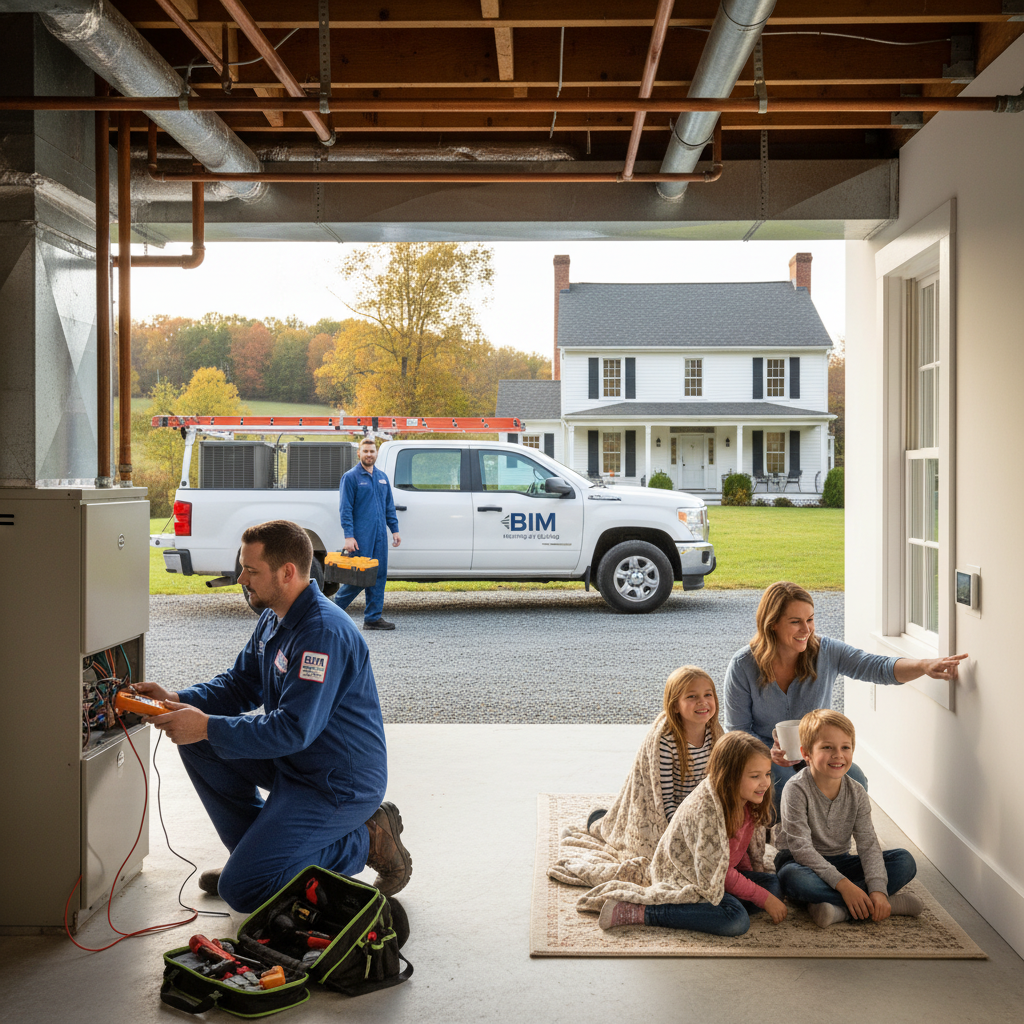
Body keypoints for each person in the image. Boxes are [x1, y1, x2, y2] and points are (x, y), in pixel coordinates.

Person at [134, 520, 412, 913]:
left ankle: (365, 840)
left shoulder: (322, 635)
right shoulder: (274, 616)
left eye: (251, 570)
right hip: (294, 762)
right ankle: (258, 859)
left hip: (335, 781)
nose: (240, 579)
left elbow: (292, 729)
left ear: (287, 572)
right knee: (198, 743)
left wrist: (206, 726)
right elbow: (239, 685)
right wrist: (176, 700)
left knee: (242, 891)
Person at [722, 580, 967, 806]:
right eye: (795, 622)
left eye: (810, 619)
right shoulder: (743, 665)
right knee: (783, 786)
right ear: (772, 624)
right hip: (766, 756)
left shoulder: (826, 651)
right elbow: (737, 731)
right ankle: (783, 838)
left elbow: (876, 666)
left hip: (818, 750)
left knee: (855, 780)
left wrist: (924, 666)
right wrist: (768, 752)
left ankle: (833, 835)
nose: (806, 629)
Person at [592, 731, 787, 936]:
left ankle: (711, 910)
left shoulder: (747, 800)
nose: (765, 782)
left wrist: (753, 887)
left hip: (719, 873)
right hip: (688, 877)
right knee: (736, 920)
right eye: (755, 776)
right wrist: (761, 898)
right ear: (730, 777)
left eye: (767, 774)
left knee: (773, 885)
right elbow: (718, 873)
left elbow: (739, 850)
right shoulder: (709, 810)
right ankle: (643, 911)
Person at [549, 666, 723, 891]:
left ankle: (609, 816)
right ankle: (597, 821)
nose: (702, 702)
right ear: (675, 705)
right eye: (692, 696)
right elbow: (662, 800)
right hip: (673, 812)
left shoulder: (715, 734)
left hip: (696, 809)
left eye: (708, 694)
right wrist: (683, 831)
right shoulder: (666, 741)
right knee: (617, 833)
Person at [774, 709, 922, 928]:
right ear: (806, 753)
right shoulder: (795, 789)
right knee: (793, 878)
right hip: (800, 862)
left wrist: (878, 890)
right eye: (827, 747)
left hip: (840, 860)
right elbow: (801, 849)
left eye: (845, 747)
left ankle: (839, 909)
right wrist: (845, 886)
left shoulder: (857, 792)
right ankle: (874, 904)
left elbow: (868, 844)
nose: (838, 755)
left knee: (905, 861)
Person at [334, 437, 401, 631]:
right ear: (359, 453)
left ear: (376, 453)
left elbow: (389, 506)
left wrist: (394, 530)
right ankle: (329, 611)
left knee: (378, 575)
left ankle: (373, 618)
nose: (369, 454)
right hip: (361, 536)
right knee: (359, 577)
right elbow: (345, 509)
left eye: (372, 451)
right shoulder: (351, 477)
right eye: (365, 451)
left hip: (380, 536)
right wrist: (349, 536)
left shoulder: (382, 477)